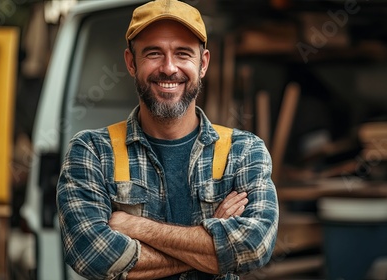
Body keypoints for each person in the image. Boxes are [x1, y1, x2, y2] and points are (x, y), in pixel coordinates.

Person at [56, 0, 279, 279]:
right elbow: (90, 254)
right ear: (131, 62)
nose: (169, 68)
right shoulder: (92, 151)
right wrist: (215, 245)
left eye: (183, 54)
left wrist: (134, 227)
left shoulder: (243, 151)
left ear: (203, 64)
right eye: (153, 53)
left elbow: (254, 247)